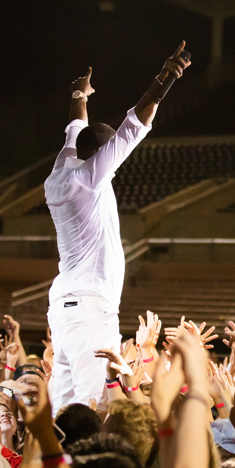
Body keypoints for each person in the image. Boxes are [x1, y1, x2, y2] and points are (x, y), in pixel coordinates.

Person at [44, 46, 191, 412]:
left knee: (64, 412)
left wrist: (81, 95)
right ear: (101, 155)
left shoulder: (58, 175)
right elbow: (134, 124)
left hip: (62, 311)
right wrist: (164, 79)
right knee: (95, 409)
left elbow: (74, 130)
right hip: (91, 310)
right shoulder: (92, 177)